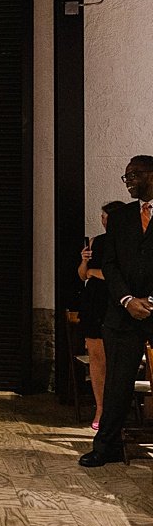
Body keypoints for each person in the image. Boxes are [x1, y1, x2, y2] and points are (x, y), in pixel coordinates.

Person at [80, 156, 153, 468]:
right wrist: (127, 299)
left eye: (134, 175)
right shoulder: (122, 216)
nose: (129, 181)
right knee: (117, 383)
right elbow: (109, 263)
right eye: (126, 177)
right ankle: (106, 447)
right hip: (122, 313)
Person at [78, 200, 126, 430]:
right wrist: (84, 261)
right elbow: (83, 275)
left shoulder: (127, 242)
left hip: (115, 301)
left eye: (106, 217)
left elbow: (115, 276)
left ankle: (117, 410)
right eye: (102, 217)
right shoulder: (98, 241)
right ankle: (100, 407)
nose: (103, 221)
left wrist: (95, 272)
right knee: (97, 359)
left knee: (116, 359)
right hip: (94, 301)